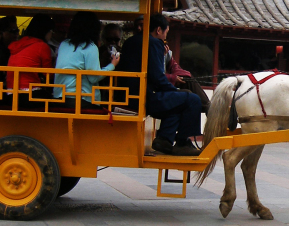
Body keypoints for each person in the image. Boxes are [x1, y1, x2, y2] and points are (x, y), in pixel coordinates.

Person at [118, 12, 201, 156]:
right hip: (143, 98)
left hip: (127, 95)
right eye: (166, 33)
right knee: (192, 99)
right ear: (158, 30)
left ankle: (164, 139)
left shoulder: (129, 42)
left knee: (178, 102)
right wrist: (173, 89)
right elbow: (157, 77)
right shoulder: (155, 43)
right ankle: (182, 142)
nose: (165, 37)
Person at [54, 11, 119, 106]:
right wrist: (112, 65)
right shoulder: (90, 47)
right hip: (81, 100)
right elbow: (94, 77)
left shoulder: (64, 44)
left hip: (59, 98)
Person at [7, 14, 55, 90]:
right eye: (52, 31)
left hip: (11, 89)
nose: (52, 35)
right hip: (30, 90)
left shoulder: (17, 44)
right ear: (46, 31)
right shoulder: (42, 46)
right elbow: (49, 75)